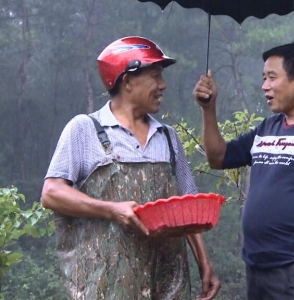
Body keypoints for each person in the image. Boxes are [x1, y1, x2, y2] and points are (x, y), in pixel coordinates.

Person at [41, 36, 220, 300]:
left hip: (168, 283)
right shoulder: (84, 129)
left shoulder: (168, 138)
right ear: (127, 81)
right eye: (155, 76)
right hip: (104, 285)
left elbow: (187, 205)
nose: (163, 85)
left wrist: (204, 265)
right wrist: (113, 210)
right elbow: (51, 193)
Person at [193, 42, 294, 300]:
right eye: (263, 78)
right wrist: (208, 109)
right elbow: (218, 156)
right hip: (257, 266)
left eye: (272, 77)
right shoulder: (268, 128)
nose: (265, 86)